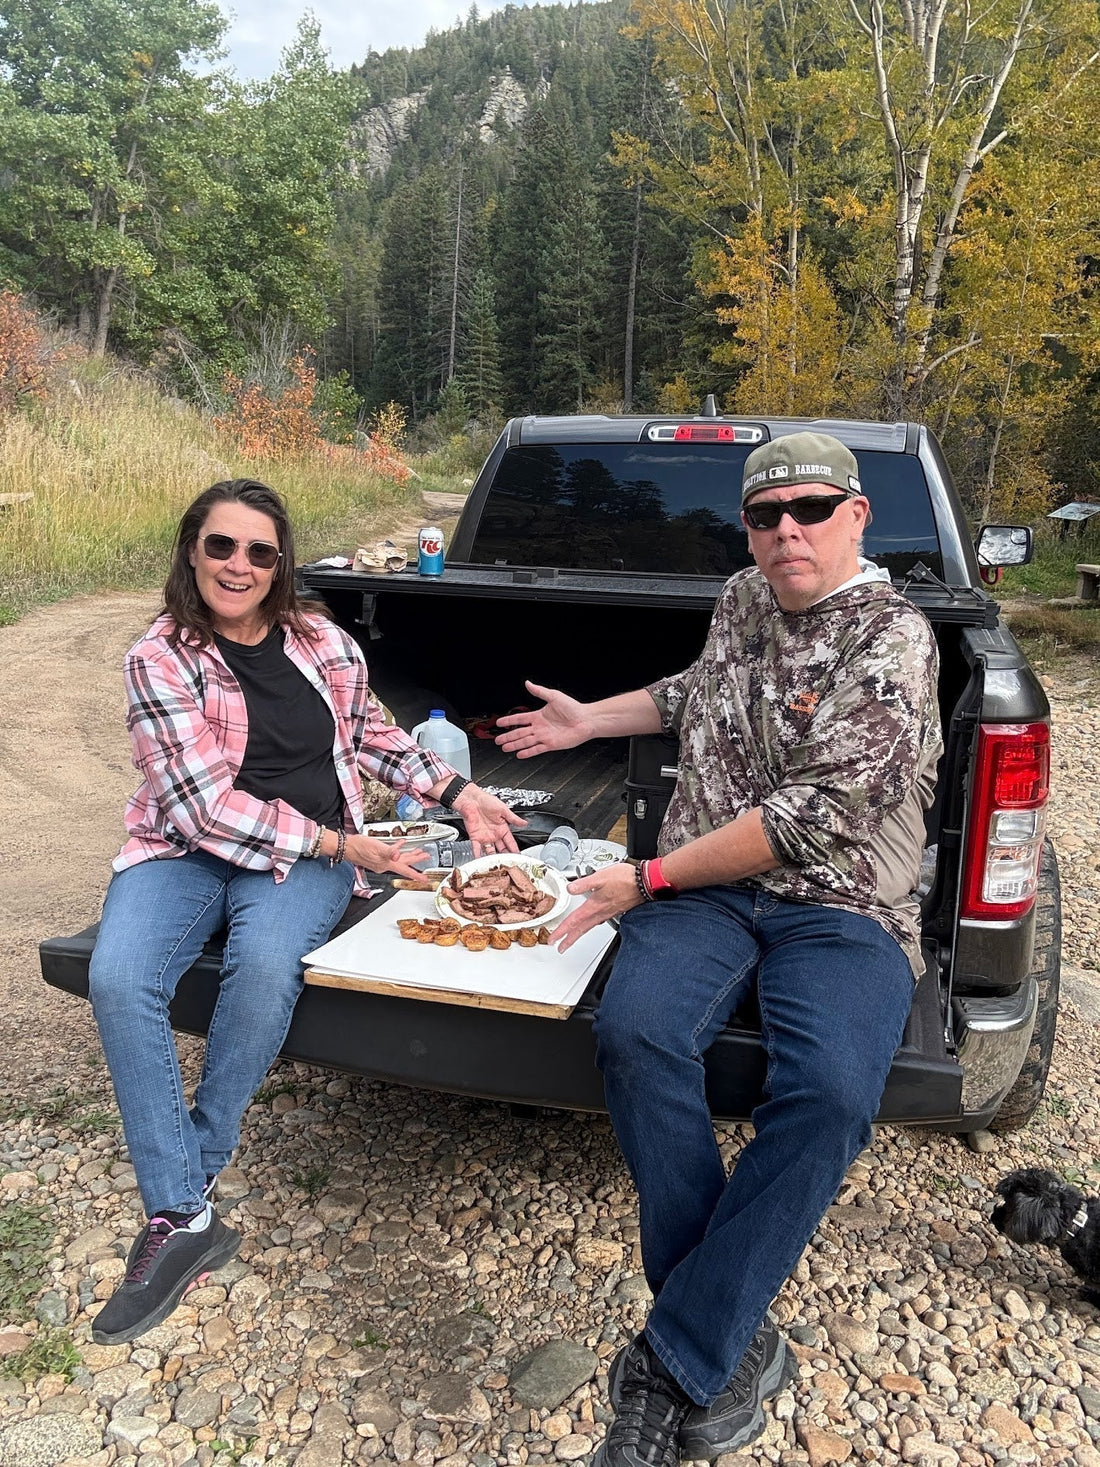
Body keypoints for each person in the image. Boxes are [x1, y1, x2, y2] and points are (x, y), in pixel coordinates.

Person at [496, 432, 942, 1467]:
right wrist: (584, 723)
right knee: (638, 1032)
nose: (785, 530)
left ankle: (674, 1360)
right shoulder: (745, 599)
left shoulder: (892, 636)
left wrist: (643, 879)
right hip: (706, 898)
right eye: (763, 514)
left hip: (838, 906)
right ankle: (723, 1336)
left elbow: (811, 817)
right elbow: (700, 693)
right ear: (744, 529)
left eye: (810, 509)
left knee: (830, 1093)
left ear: (856, 517)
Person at [88, 478, 522, 1346]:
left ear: (281, 562)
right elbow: (203, 808)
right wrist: (340, 848)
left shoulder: (319, 638)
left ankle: (188, 1181)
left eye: (260, 550)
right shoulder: (160, 656)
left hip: (307, 851)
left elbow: (371, 733)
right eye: (222, 546)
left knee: (264, 965)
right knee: (117, 975)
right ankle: (186, 1211)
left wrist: (462, 791)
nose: (239, 565)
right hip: (194, 850)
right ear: (191, 552)